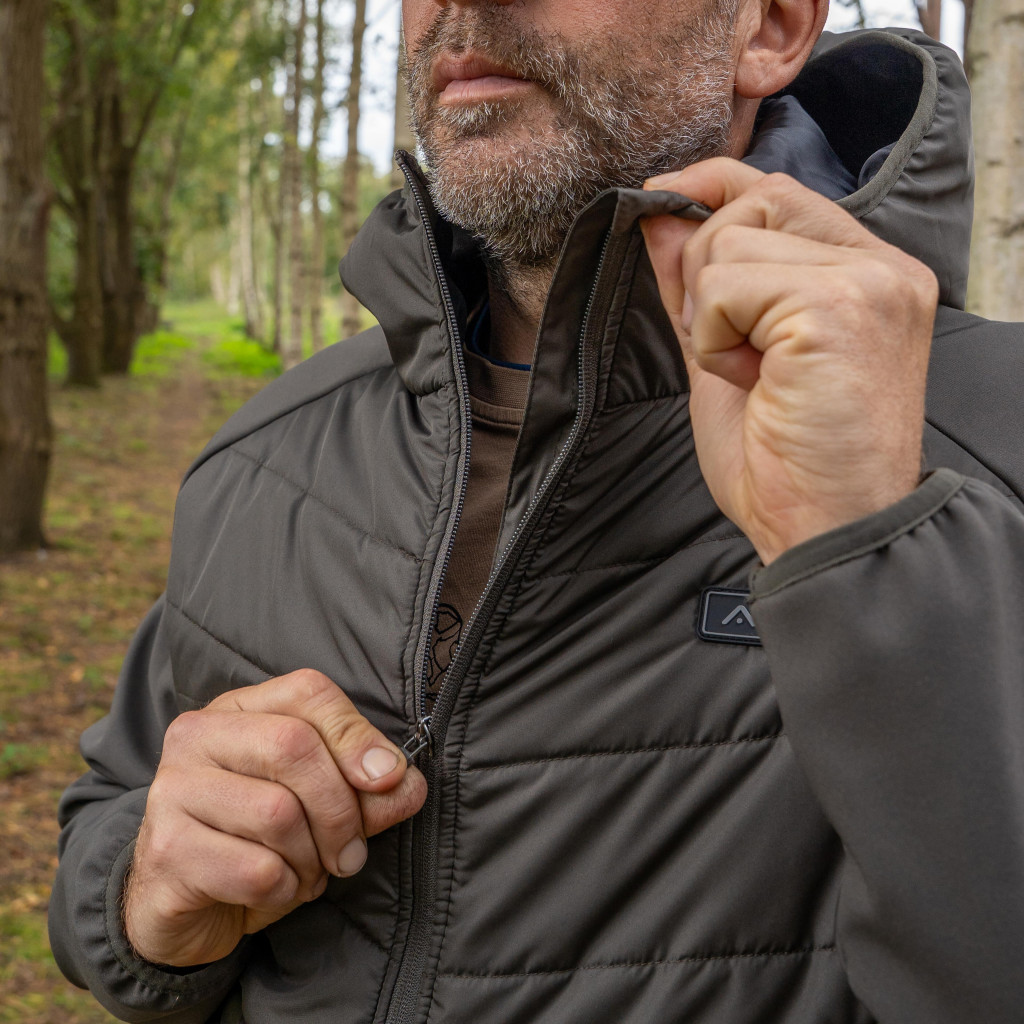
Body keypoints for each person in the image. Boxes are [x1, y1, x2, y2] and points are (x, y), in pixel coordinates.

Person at [50, 0, 1024, 1020]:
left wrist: (869, 561)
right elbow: (108, 824)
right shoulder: (267, 453)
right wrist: (140, 891)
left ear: (770, 28)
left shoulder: (990, 449)